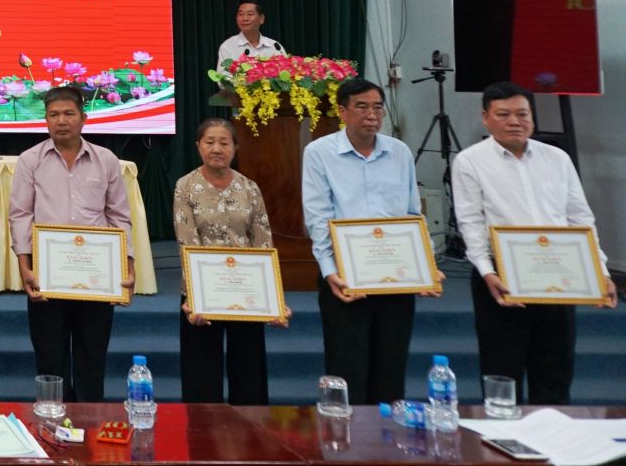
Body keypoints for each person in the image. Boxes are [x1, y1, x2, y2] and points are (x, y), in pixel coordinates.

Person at [452, 82, 617, 404]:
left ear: (532, 117)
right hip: (502, 275)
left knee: (554, 368)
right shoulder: (470, 161)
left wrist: (600, 271)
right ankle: (504, 441)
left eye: (522, 113)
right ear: (486, 118)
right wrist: (487, 272)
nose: (515, 121)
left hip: (558, 272)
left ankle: (552, 440)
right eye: (504, 114)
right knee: (502, 369)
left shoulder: (557, 158)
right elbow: (470, 223)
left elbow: (580, 219)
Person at [303, 78, 442, 406]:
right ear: (342, 111)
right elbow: (318, 217)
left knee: (391, 371)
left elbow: (412, 214)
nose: (372, 115)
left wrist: (426, 266)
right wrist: (329, 271)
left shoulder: (399, 152)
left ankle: (387, 448)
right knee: (346, 371)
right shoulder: (320, 153)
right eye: (362, 107)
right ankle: (348, 450)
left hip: (397, 278)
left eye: (378, 107)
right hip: (346, 279)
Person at [10, 86, 133, 402]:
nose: (61, 121)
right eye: (53, 115)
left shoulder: (106, 160)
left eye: (68, 114)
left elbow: (119, 217)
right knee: (50, 361)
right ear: (46, 120)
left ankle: (90, 429)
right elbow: (20, 216)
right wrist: (25, 268)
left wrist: (127, 270)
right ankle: (53, 427)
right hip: (47, 277)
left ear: (83, 118)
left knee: (92, 359)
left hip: (97, 278)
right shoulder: (30, 160)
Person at [172, 118, 288, 405]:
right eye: (209, 142)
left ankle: (251, 440)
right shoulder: (185, 186)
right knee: (201, 377)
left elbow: (263, 242)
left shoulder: (249, 188)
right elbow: (187, 242)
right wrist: (196, 299)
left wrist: (273, 299)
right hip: (201, 295)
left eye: (224, 142)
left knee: (249, 375)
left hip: (245, 292)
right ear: (198, 146)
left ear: (236, 148)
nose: (216, 148)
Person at [215, 1, 286, 70]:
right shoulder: (228, 46)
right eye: (241, 14)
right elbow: (223, 76)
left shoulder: (275, 46)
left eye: (250, 14)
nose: (245, 19)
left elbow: (286, 70)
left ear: (261, 18)